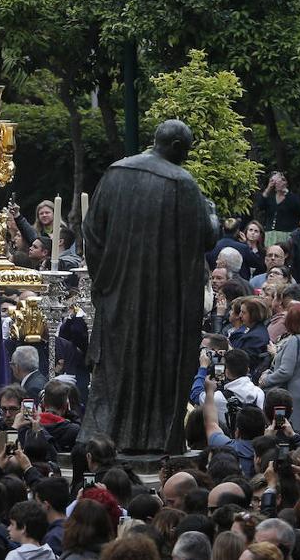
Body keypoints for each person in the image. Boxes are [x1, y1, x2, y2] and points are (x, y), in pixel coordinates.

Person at [80, 120, 217, 454]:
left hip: (118, 292)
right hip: (163, 301)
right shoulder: (181, 182)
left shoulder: (115, 173)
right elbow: (206, 237)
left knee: (114, 365)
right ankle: (150, 437)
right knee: (155, 367)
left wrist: (106, 280)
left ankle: (103, 437)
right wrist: (211, 214)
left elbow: (92, 232)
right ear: (174, 146)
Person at [259, 303, 300, 428]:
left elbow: (285, 371)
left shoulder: (294, 340)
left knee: (283, 429)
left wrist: (266, 379)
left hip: (289, 396)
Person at [256, 172, 300, 236]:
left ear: (287, 183)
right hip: (270, 233)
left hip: (287, 233)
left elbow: (297, 207)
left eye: (283, 180)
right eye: (277, 181)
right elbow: (260, 206)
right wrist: (268, 188)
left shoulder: (292, 197)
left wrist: (286, 192)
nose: (279, 182)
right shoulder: (270, 197)